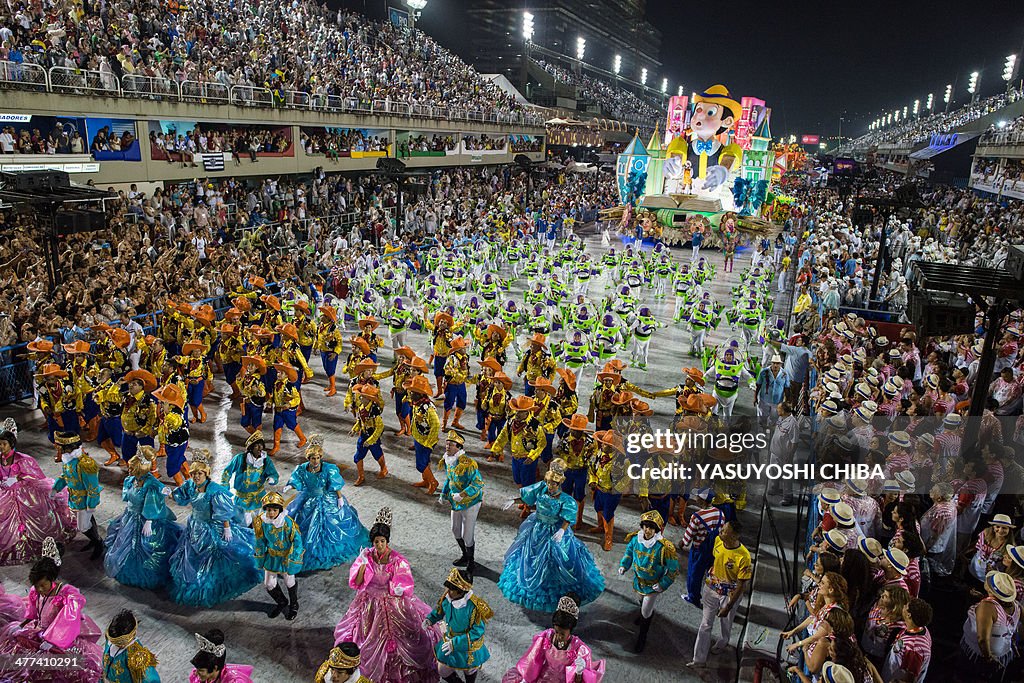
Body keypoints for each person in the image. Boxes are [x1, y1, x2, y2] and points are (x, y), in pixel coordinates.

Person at [333, 507, 441, 683]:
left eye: (382, 541)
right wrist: (363, 564)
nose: (379, 545)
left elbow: (405, 583)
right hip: (369, 604)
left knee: (406, 635)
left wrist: (398, 589)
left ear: (387, 541)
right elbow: (358, 583)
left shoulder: (397, 560)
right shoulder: (366, 556)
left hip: (392, 602)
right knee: (365, 636)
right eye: (376, 542)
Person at [498, 459, 605, 612]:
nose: (550, 486)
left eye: (553, 484)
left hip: (555, 530)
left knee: (557, 559)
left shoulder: (565, 500)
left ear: (559, 483)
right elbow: (528, 497)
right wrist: (513, 501)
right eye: (548, 482)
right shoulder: (542, 488)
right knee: (532, 557)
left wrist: (562, 531)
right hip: (538, 528)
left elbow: (568, 517)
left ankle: (554, 588)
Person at [0, 538, 103, 682]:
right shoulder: (35, 592)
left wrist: (52, 640)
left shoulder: (69, 595)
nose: (39, 589)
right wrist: (21, 625)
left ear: (52, 579)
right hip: (39, 631)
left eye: (43, 585)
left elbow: (68, 620)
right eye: (36, 585)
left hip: (61, 638)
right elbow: (33, 613)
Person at [168, 449, 261, 607]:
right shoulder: (190, 485)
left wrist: (226, 528)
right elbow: (180, 495)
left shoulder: (215, 490)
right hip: (195, 526)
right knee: (190, 554)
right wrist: (167, 493)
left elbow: (223, 511)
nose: (196, 476)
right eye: (194, 473)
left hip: (212, 527)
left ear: (206, 474)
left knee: (218, 553)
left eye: (200, 473)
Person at [283, 435, 368, 571]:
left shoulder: (328, 469)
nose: (315, 461)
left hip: (326, 499)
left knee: (331, 525)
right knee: (300, 524)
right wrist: (290, 486)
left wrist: (339, 498)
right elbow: (297, 479)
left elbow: (334, 485)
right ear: (308, 458)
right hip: (307, 499)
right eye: (312, 458)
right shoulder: (302, 468)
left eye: (317, 458)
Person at [104, 445, 182, 590]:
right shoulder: (131, 480)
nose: (129, 470)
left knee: (143, 547)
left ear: (140, 469)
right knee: (124, 543)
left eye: (132, 468)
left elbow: (153, 501)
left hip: (145, 519)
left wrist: (149, 521)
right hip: (130, 517)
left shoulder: (150, 484)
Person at [0, 423, 75, 565]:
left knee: (37, 513)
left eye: (4, 444)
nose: (1, 447)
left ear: (11, 444)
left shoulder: (22, 459)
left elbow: (36, 476)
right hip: (5, 493)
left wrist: (17, 479)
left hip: (24, 493)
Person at [688, 519, 751, 667]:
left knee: (726, 622)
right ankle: (699, 660)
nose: (719, 532)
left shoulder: (743, 557)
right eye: (721, 529)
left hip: (729, 595)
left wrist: (728, 606)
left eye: (724, 531)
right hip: (711, 589)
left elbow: (742, 585)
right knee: (705, 625)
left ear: (734, 536)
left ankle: (723, 642)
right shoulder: (717, 541)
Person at [501, 593, 606, 683]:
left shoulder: (580, 649)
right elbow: (532, 660)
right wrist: (526, 679)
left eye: (562, 634)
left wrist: (579, 672)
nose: (558, 636)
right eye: (556, 631)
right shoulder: (547, 636)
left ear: (571, 630)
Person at [618, 510, 680, 652]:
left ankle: (642, 637)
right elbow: (628, 553)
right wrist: (624, 565)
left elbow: (673, 569)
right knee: (641, 602)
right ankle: (643, 615)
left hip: (653, 585)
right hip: (638, 580)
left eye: (651, 527)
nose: (647, 530)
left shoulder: (664, 548)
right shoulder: (635, 539)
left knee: (646, 611)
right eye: (645, 526)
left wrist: (663, 584)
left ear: (657, 530)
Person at [424, 568, 493, 683]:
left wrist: (455, 643)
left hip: (468, 645)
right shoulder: (448, 598)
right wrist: (430, 619)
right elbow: (440, 611)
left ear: (461, 591)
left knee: (469, 670)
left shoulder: (475, 607)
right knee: (443, 671)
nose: (448, 591)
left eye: (452, 589)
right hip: (449, 639)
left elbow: (477, 632)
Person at [51, 431, 103, 560]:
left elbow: (93, 487)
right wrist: (56, 488)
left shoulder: (85, 464)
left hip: (85, 500)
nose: (58, 448)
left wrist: (91, 505)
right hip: (75, 498)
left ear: (68, 447)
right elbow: (66, 476)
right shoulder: (69, 459)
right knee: (88, 521)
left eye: (60, 446)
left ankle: (98, 542)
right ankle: (94, 539)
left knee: (83, 526)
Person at [958, 570, 1020, 680]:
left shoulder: (987, 607)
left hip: (980, 655)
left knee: (969, 677)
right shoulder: (1016, 606)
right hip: (1002, 652)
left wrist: (988, 658)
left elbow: (982, 639)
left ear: (992, 590)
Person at [253, 491, 304, 620]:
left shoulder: (287, 522)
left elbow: (297, 540)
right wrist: (260, 555)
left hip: (286, 557)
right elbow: (260, 541)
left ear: (279, 510)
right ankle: (282, 602)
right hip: (271, 557)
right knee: (269, 584)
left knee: (289, 581)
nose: (271, 513)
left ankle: (294, 604)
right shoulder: (262, 522)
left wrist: (294, 556)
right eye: (268, 510)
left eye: (274, 510)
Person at [439, 430, 484, 577]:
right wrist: (443, 493)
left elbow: (478, 483)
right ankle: (465, 554)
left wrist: (463, 494)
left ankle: (471, 561)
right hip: (455, 501)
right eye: (446, 444)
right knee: (455, 529)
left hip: (471, 502)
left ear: (458, 447)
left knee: (467, 534)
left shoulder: (468, 463)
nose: (447, 446)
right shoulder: (448, 459)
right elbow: (449, 479)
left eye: (451, 444)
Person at [222, 431, 280, 525]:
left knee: (260, 522)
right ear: (251, 447)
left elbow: (274, 474)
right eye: (257, 445)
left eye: (261, 445)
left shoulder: (265, 460)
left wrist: (272, 479)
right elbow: (227, 472)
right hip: (242, 498)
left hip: (259, 497)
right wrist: (224, 487)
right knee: (243, 522)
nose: (260, 448)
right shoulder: (240, 458)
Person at [678, 487, 724, 608]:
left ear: (702, 500)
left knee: (694, 574)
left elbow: (689, 536)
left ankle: (693, 597)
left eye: (698, 497)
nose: (696, 498)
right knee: (712, 575)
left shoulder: (697, 516)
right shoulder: (720, 513)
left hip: (699, 550)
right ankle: (715, 598)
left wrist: (682, 543)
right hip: (714, 550)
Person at [101, 609, 160, 683]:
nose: (118, 645)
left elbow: (151, 679)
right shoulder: (111, 637)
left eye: (120, 642)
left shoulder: (136, 654)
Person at [883, 597, 932, 683]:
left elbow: (909, 680)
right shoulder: (921, 628)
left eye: (906, 606)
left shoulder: (914, 648)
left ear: (909, 615)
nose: (903, 606)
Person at [189, 630, 254, 682]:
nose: (196, 673)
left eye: (201, 670)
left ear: (215, 668)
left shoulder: (235, 681)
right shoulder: (198, 676)